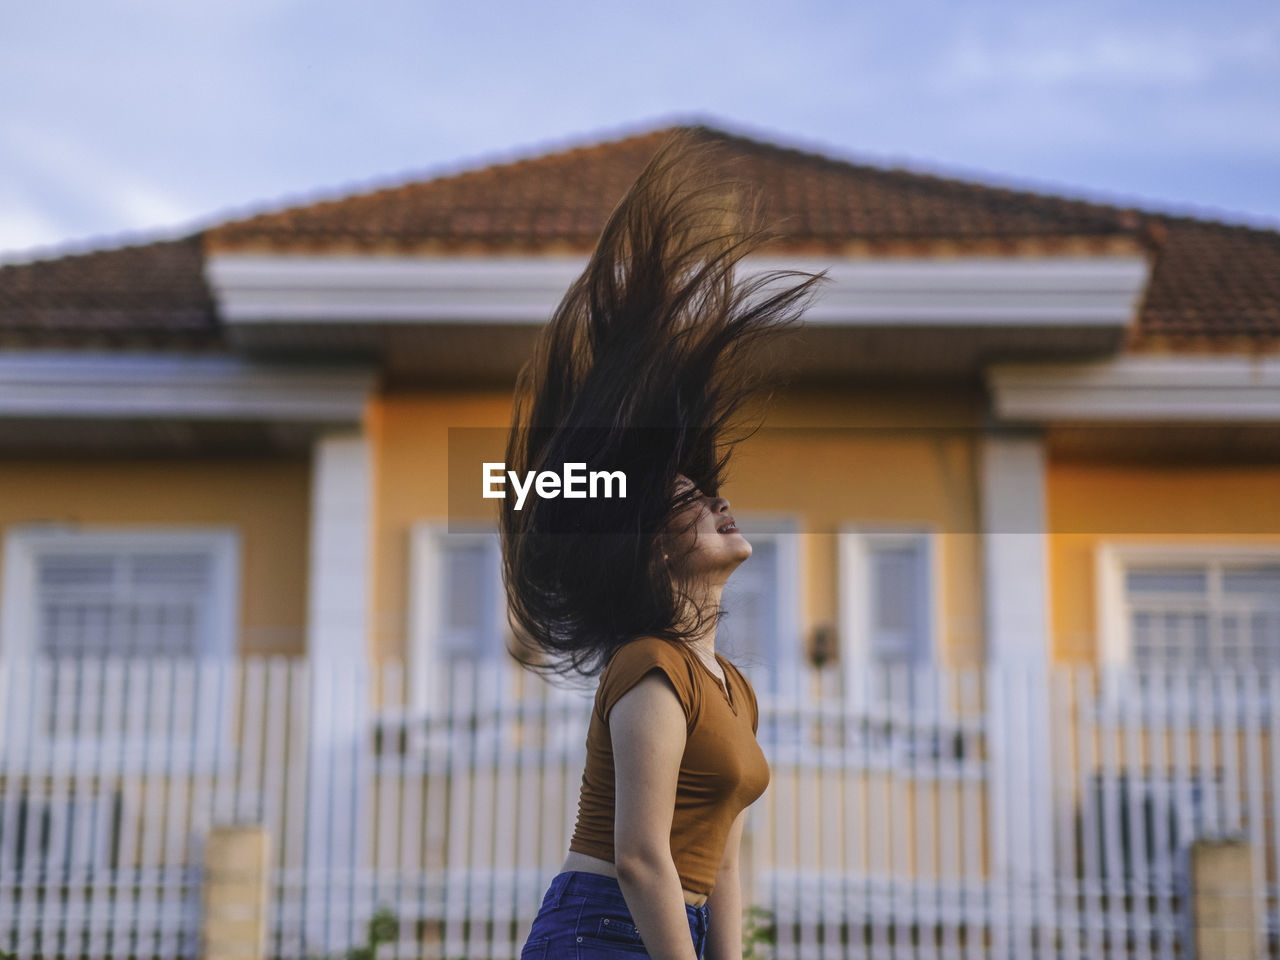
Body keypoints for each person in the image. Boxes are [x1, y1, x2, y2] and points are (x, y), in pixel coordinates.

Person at [500, 130, 825, 960]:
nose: (720, 503)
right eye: (688, 502)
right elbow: (642, 857)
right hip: (601, 929)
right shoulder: (651, 667)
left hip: (665, 928)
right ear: (653, 551)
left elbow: (721, 863)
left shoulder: (733, 690)